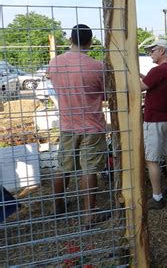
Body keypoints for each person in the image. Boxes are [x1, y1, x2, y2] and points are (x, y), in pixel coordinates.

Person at [49, 24, 108, 226]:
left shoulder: (55, 63)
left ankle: (57, 207)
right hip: (92, 126)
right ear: (90, 42)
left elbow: (53, 82)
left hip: (67, 124)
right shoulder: (97, 67)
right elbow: (106, 96)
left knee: (63, 167)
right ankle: (89, 214)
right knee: (89, 169)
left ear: (70, 40)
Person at [140, 39, 167, 209]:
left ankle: (157, 197)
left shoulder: (158, 70)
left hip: (154, 119)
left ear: (162, 51)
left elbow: (140, 87)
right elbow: (152, 82)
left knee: (152, 160)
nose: (150, 53)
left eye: (152, 50)